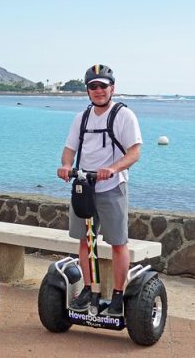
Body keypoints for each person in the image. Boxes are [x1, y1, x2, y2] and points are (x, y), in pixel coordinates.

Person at [57, 64, 142, 315]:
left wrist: (113, 169)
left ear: (112, 88)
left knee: (117, 243)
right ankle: (89, 287)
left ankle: (117, 294)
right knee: (84, 241)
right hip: (84, 186)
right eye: (93, 86)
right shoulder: (81, 117)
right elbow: (69, 148)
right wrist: (65, 165)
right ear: (88, 90)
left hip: (112, 186)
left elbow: (135, 151)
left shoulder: (124, 115)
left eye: (102, 86)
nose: (98, 91)